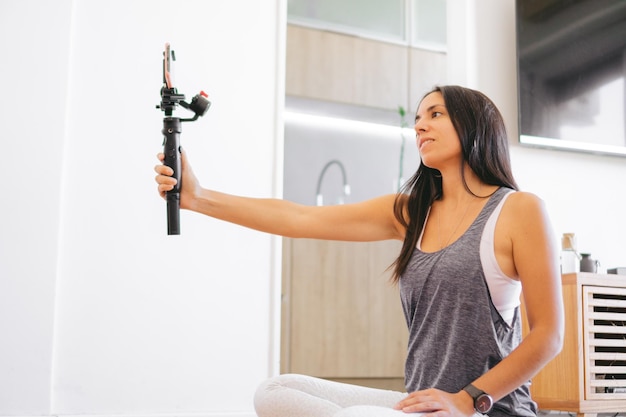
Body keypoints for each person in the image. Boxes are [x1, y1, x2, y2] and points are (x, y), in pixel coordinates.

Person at [154, 85, 564, 417]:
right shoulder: (410, 213)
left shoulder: (518, 209)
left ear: (474, 125)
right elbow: (299, 218)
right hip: (420, 405)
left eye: (435, 114)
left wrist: (466, 399)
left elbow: (548, 335)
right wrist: (198, 198)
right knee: (275, 391)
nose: (420, 125)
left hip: (485, 410)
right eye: (418, 118)